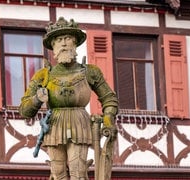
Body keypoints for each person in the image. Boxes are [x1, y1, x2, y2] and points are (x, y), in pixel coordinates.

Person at [19, 17, 118, 180]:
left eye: (68, 39)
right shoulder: (44, 75)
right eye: (59, 40)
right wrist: (37, 99)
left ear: (75, 43)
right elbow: (24, 110)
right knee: (57, 174)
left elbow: (109, 98)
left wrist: (107, 119)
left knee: (77, 172)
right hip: (54, 125)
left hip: (79, 123)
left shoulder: (90, 72)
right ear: (53, 46)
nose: (63, 43)